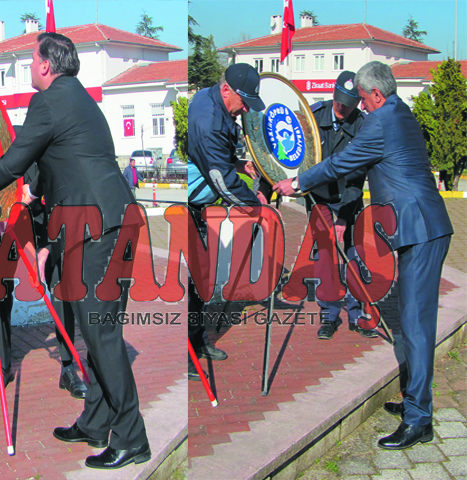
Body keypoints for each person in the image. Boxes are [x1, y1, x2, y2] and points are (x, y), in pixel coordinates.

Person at [0, 32, 149, 469]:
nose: (29, 68)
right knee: (95, 331)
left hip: (101, 227)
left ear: (47, 66)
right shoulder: (79, 99)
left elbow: (15, 161)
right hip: (103, 221)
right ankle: (95, 420)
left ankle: (132, 437)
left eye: (32, 61)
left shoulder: (48, 102)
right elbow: (61, 168)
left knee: (101, 332)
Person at [274, 61, 453, 450]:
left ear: (376, 94)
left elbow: (342, 162)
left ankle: (420, 421)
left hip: (421, 229)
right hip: (420, 228)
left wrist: (297, 181)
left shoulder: (380, 121)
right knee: (411, 322)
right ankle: (413, 402)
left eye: (364, 99)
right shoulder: (399, 111)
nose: (361, 106)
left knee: (417, 326)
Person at [187, 63, 267, 381]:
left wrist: (239, 162)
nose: (245, 108)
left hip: (201, 208)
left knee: (202, 283)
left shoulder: (216, 104)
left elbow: (219, 157)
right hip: (189, 208)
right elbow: (220, 179)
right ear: (226, 90)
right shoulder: (208, 120)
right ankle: (189, 355)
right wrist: (254, 204)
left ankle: (198, 341)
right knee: (194, 284)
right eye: (243, 101)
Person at [0, 164, 87, 400]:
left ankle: (67, 366)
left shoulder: (41, 145)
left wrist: (48, 247)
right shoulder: (0, 151)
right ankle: (3, 366)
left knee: (60, 288)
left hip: (43, 222)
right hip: (7, 223)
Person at [307, 70, 377, 340]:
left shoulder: (362, 125)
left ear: (358, 102)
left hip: (349, 199)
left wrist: (343, 219)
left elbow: (356, 178)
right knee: (325, 257)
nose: (341, 107)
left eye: (348, 103)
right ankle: (328, 316)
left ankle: (357, 314)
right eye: (338, 100)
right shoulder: (314, 116)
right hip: (319, 199)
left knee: (354, 257)